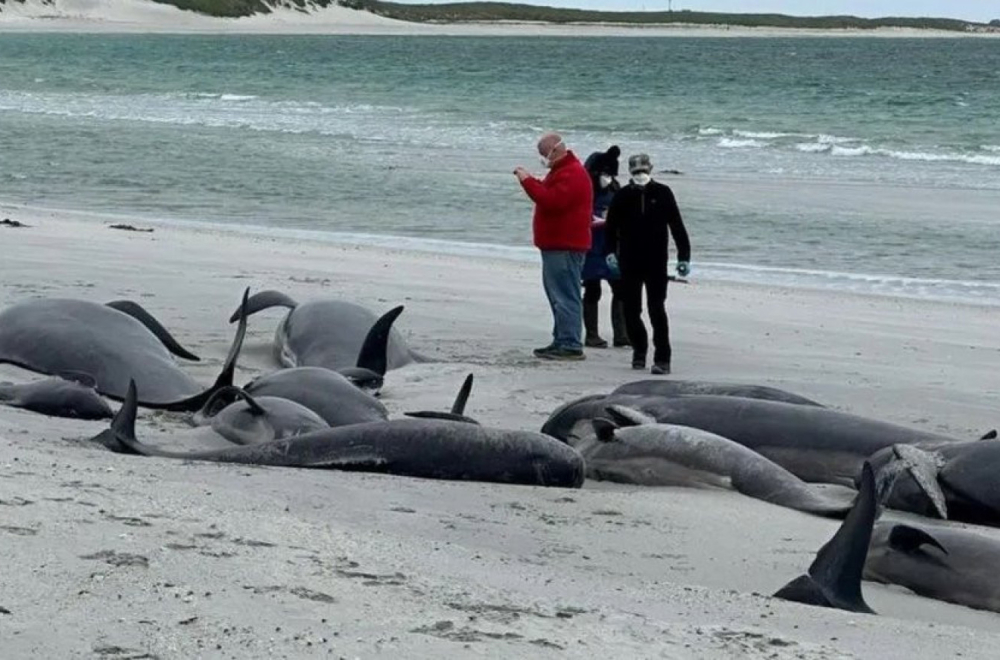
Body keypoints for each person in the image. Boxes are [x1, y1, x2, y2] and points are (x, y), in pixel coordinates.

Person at [604, 153, 691, 375]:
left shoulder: (663, 192)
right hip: (628, 261)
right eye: (635, 171)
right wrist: (609, 253)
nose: (640, 174)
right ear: (630, 173)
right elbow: (611, 228)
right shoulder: (622, 195)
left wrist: (684, 257)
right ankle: (639, 350)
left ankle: (662, 359)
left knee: (656, 309)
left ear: (650, 169)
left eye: (643, 170)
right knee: (632, 311)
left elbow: (677, 226)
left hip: (656, 262)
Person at [514, 133, 593, 361]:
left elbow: (551, 201)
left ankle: (570, 343)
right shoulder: (562, 172)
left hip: (566, 245)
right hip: (556, 244)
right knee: (557, 294)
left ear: (555, 151)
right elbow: (550, 194)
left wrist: (527, 181)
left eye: (543, 155)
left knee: (565, 295)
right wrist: (533, 181)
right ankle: (561, 339)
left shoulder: (573, 173)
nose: (543, 159)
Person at [581, 145, 629, 349]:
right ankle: (592, 334)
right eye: (604, 173)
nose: (607, 177)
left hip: (611, 246)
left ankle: (621, 334)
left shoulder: (615, 187)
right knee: (592, 290)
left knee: (620, 289)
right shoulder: (584, 189)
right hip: (590, 246)